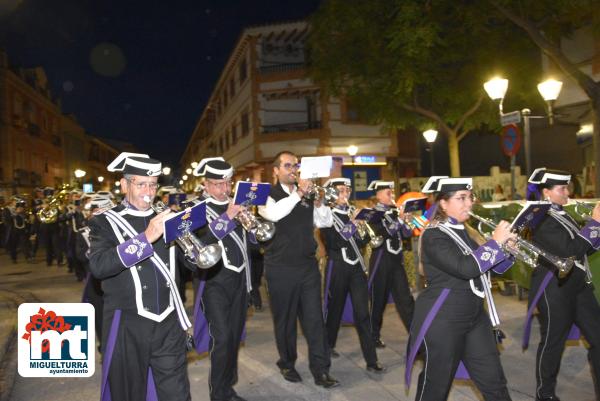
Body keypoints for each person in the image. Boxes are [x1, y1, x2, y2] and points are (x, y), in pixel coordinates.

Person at [88, 152, 194, 401]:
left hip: (168, 322)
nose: (149, 190)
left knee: (177, 393)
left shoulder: (166, 217)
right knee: (128, 393)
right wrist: (147, 236)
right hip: (127, 323)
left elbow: (185, 264)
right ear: (125, 185)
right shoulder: (104, 222)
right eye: (141, 184)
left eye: (153, 184)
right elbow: (99, 266)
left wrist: (194, 251)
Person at [406, 177, 516, 401]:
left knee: (494, 382)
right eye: (461, 198)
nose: (469, 204)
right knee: (435, 386)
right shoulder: (434, 235)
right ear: (443, 204)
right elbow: (465, 268)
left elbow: (486, 270)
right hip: (443, 317)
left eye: (470, 197)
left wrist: (507, 250)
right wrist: (494, 244)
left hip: (474, 316)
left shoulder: (464, 231)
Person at [258, 150, 339, 388]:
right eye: (287, 165)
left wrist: (320, 202)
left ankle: (321, 370)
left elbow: (325, 222)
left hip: (307, 267)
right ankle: (287, 363)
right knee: (285, 321)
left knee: (315, 320)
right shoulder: (266, 195)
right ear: (275, 170)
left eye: (296, 165)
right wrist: (299, 194)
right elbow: (273, 214)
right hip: (280, 268)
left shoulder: (306, 195)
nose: (293, 169)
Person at [524, 168, 600, 401]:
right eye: (562, 189)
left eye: (567, 187)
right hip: (553, 287)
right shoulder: (540, 218)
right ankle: (544, 394)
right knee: (553, 343)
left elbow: (582, 247)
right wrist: (595, 222)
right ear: (546, 192)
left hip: (577, 285)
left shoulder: (560, 213)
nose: (568, 192)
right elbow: (569, 250)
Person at [192, 157, 252, 401]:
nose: (223, 189)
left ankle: (228, 387)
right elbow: (201, 243)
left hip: (239, 280)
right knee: (223, 337)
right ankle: (218, 394)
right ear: (205, 185)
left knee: (235, 335)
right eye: (217, 184)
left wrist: (253, 226)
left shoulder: (238, 205)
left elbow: (252, 244)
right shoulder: (195, 210)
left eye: (227, 183)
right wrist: (228, 216)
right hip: (213, 283)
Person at [321, 178, 385, 373]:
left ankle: (371, 361)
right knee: (334, 312)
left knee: (362, 314)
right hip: (338, 267)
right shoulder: (326, 216)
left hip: (356, 268)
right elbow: (334, 242)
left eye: (347, 190)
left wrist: (362, 226)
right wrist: (352, 224)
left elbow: (365, 240)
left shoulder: (353, 213)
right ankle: (327, 347)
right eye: (340, 191)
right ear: (331, 194)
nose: (345, 194)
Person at [367, 180, 414, 348]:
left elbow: (407, 234)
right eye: (388, 193)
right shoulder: (373, 214)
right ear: (378, 195)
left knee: (406, 300)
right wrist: (399, 221)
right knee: (378, 302)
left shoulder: (395, 212)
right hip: (381, 261)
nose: (392, 196)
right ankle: (373, 336)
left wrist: (407, 220)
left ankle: (417, 337)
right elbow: (381, 234)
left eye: (392, 193)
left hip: (396, 262)